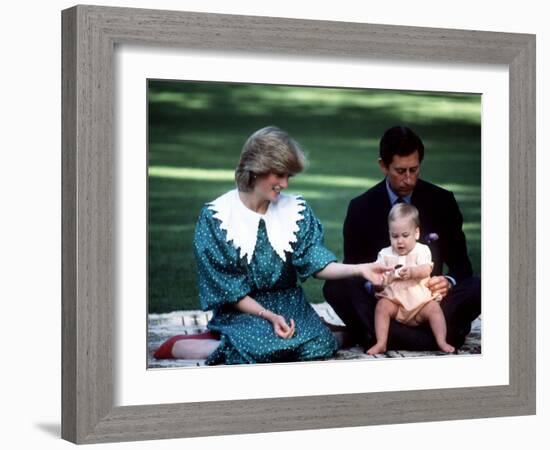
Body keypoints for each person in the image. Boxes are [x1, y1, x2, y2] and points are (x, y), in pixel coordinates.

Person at [154, 126, 388, 364]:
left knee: (320, 345)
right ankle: (202, 345)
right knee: (261, 348)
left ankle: (314, 330)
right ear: (257, 170)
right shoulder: (218, 217)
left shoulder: (295, 210)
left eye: (289, 176)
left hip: (288, 302)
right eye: (279, 174)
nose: (285, 184)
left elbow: (316, 261)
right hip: (241, 308)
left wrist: (360, 269)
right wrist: (268, 316)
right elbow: (228, 290)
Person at [323, 125, 481, 351]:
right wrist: (373, 286)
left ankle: (376, 336)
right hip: (385, 304)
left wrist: (448, 281)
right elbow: (355, 267)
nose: (408, 179)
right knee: (335, 286)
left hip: (429, 303)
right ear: (383, 166)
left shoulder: (442, 201)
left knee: (478, 286)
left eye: (414, 170)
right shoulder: (360, 207)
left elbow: (462, 265)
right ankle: (437, 337)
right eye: (400, 171)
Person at [366, 203, 455, 355]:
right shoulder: (385, 254)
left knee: (434, 309)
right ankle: (381, 342)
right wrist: (384, 280)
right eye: (394, 236)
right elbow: (378, 275)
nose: (399, 241)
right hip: (396, 303)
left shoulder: (422, 250)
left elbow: (427, 268)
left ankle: (441, 341)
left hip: (420, 303)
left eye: (405, 235)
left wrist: (413, 272)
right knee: (382, 306)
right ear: (389, 234)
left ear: (417, 233)